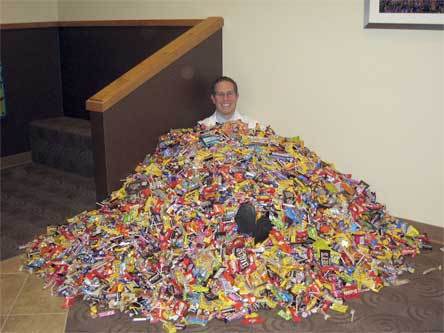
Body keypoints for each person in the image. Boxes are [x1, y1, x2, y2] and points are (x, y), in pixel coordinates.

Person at [200, 76, 272, 243]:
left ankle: (254, 233)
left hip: (250, 188)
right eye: (220, 94)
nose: (226, 99)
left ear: (237, 96)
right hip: (219, 193)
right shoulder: (202, 129)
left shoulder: (254, 126)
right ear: (213, 98)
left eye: (229, 94)